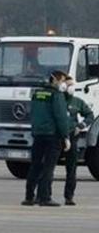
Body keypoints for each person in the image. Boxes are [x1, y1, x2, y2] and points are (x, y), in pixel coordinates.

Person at [24, 71, 73, 206]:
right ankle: (44, 197)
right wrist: (65, 136)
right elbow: (61, 117)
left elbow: (32, 113)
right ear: (55, 80)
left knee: (35, 165)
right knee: (48, 167)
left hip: (38, 134)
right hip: (52, 135)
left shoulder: (37, 93)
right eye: (63, 81)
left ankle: (29, 196)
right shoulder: (56, 96)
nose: (64, 84)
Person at [63, 77, 95, 206]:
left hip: (72, 137)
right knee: (47, 168)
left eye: (72, 85)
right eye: (68, 84)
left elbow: (90, 115)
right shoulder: (58, 101)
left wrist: (81, 126)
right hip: (58, 137)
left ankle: (69, 197)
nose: (71, 87)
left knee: (71, 169)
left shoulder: (77, 102)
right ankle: (44, 195)